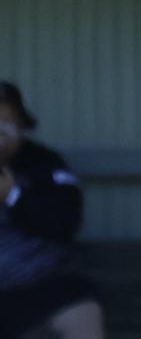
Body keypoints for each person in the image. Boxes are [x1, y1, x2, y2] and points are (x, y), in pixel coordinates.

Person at [0, 81, 104, 339]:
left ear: (23, 125)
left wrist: (13, 196)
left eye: (7, 119)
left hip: (35, 288)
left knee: (82, 307)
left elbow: (64, 224)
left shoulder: (45, 165)